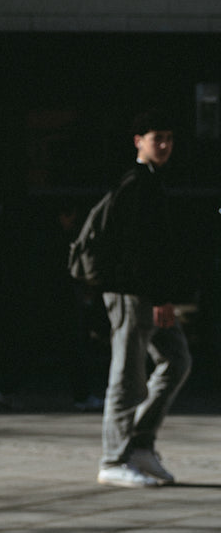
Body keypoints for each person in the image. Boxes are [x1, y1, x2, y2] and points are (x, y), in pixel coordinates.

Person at [96, 110, 192, 488]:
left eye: (169, 137)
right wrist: (159, 298)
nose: (165, 145)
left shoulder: (149, 182)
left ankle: (139, 444)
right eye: (157, 138)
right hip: (132, 295)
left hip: (147, 295)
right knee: (126, 377)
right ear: (138, 141)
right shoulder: (136, 184)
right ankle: (113, 459)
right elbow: (137, 252)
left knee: (177, 360)